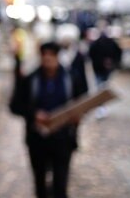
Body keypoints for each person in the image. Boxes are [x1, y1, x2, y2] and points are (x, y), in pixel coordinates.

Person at [10, 42, 88, 198]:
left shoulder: (71, 78)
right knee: (40, 182)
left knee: (61, 183)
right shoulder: (31, 79)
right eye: (44, 55)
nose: (47, 59)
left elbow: (82, 101)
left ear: (57, 57)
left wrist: (77, 116)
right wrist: (34, 115)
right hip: (37, 139)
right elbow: (15, 106)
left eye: (51, 55)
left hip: (63, 138)